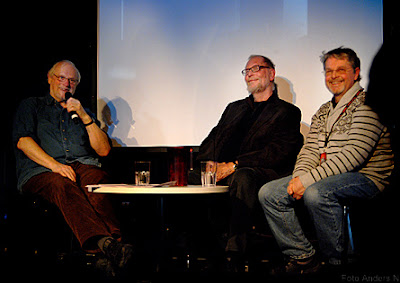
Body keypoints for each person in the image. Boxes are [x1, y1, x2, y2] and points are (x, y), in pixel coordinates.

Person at [258, 47, 394, 275]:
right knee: (269, 193)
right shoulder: (323, 110)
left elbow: (354, 156)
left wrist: (307, 181)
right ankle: (303, 258)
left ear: (356, 72)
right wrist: (299, 178)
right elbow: (310, 149)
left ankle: (338, 264)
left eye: (341, 70)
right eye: (328, 71)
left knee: (317, 192)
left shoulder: (369, 104)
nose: (333, 76)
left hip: (366, 177)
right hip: (326, 176)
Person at [12, 60, 133, 273]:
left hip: (82, 166)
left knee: (97, 183)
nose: (67, 84)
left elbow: (104, 150)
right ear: (49, 78)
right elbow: (23, 142)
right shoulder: (32, 105)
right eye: (62, 78)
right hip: (42, 170)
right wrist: (55, 166)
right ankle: (110, 245)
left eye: (72, 80)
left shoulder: (82, 112)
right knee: (63, 184)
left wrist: (86, 117)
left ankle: (105, 255)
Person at [196, 55, 304, 267]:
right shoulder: (234, 108)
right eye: (246, 71)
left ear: (271, 74)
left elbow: (276, 153)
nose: (250, 74)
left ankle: (235, 252)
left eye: (256, 68)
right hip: (224, 171)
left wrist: (235, 164)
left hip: (259, 173)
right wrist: (207, 161)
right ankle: (199, 246)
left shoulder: (286, 112)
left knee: (243, 177)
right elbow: (214, 138)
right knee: (189, 176)